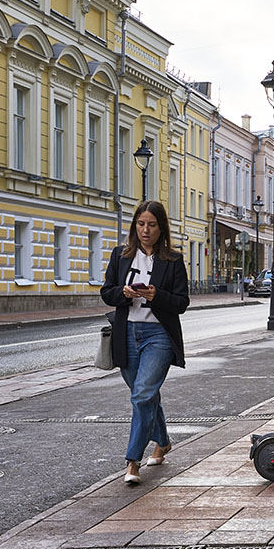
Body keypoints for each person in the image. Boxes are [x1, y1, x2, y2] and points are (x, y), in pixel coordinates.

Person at [100, 200, 190, 485]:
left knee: (141, 395)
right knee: (146, 395)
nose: (145, 230)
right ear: (134, 226)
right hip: (126, 335)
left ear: (161, 228)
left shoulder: (172, 260)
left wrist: (156, 296)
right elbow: (106, 292)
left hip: (159, 336)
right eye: (141, 224)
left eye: (151, 225)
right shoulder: (121, 255)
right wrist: (125, 294)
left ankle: (132, 462)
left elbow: (181, 302)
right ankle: (162, 442)